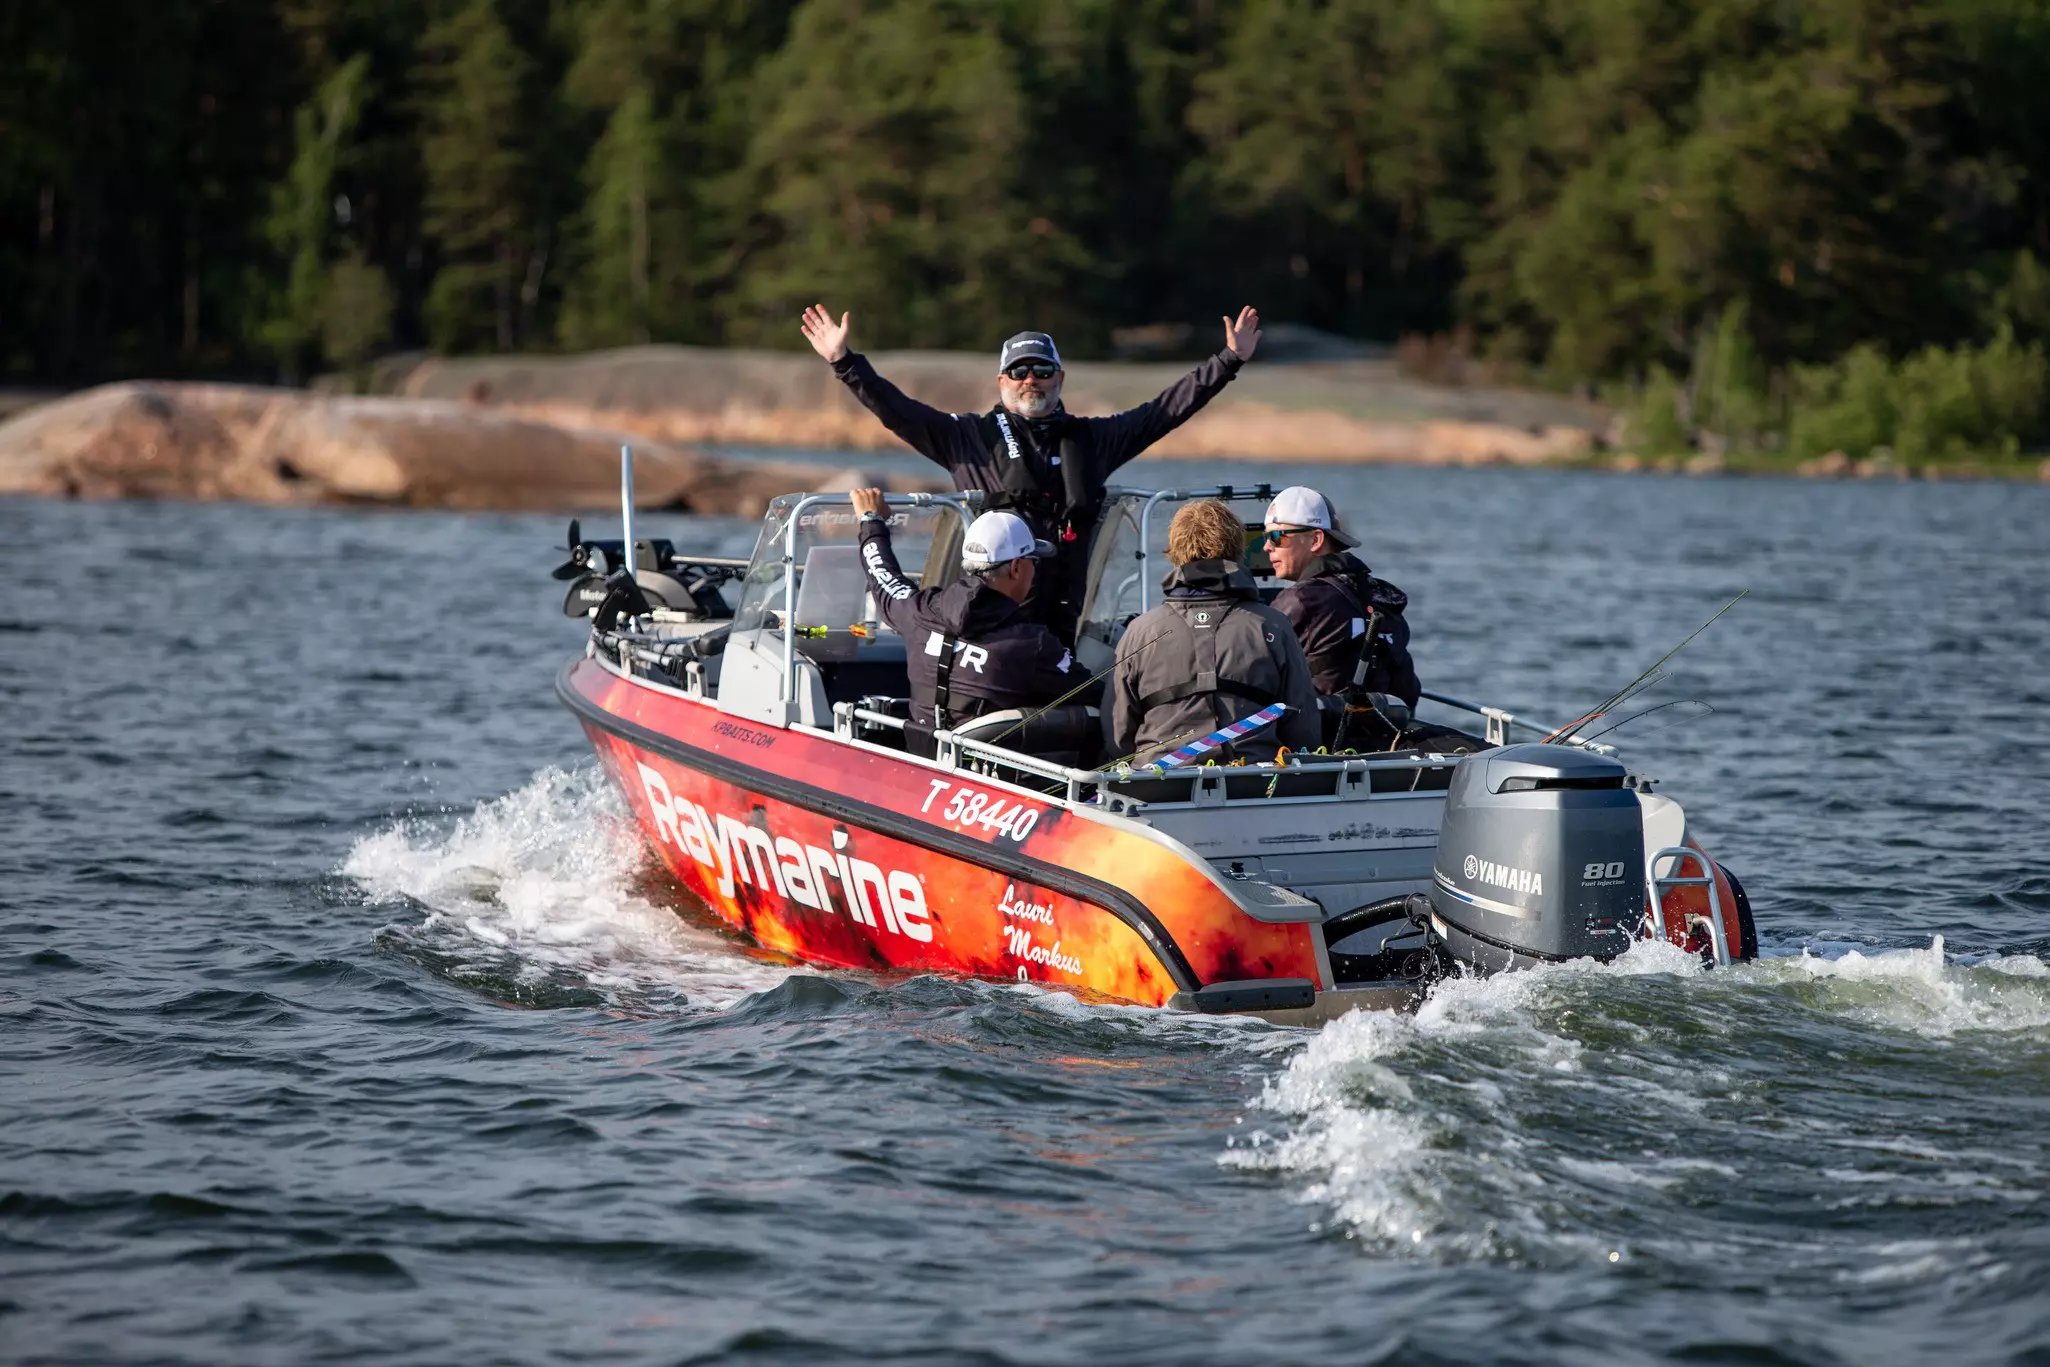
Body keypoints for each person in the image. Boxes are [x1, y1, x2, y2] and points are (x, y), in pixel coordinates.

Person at [801, 304, 1265, 644]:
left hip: (1063, 619)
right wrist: (846, 364)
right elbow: (897, 410)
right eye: (1018, 371)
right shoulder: (967, 438)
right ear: (1002, 382)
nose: (1031, 379)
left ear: (1060, 378)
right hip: (988, 625)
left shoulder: (1094, 440)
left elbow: (1163, 411)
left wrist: (1228, 361)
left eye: (1042, 370)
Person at [848, 487, 1077, 736]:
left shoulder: (919, 612)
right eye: (1034, 561)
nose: (1035, 570)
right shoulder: (1034, 645)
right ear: (1016, 567)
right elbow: (1096, 694)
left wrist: (871, 520)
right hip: (992, 772)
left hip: (920, 760)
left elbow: (882, 575)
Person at [1105, 499, 1318, 764]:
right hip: (1252, 781)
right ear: (1237, 550)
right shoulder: (1273, 625)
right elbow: (1303, 729)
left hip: (1158, 784)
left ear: (1174, 553)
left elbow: (1118, 735)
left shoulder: (1139, 632)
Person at [1262, 485, 1420, 708]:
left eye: (1277, 536)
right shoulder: (1384, 596)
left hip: (1322, 734)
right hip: (1388, 730)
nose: (1267, 547)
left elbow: (1252, 673)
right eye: (1266, 537)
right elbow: (1409, 693)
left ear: (1316, 540)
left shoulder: (1298, 601)